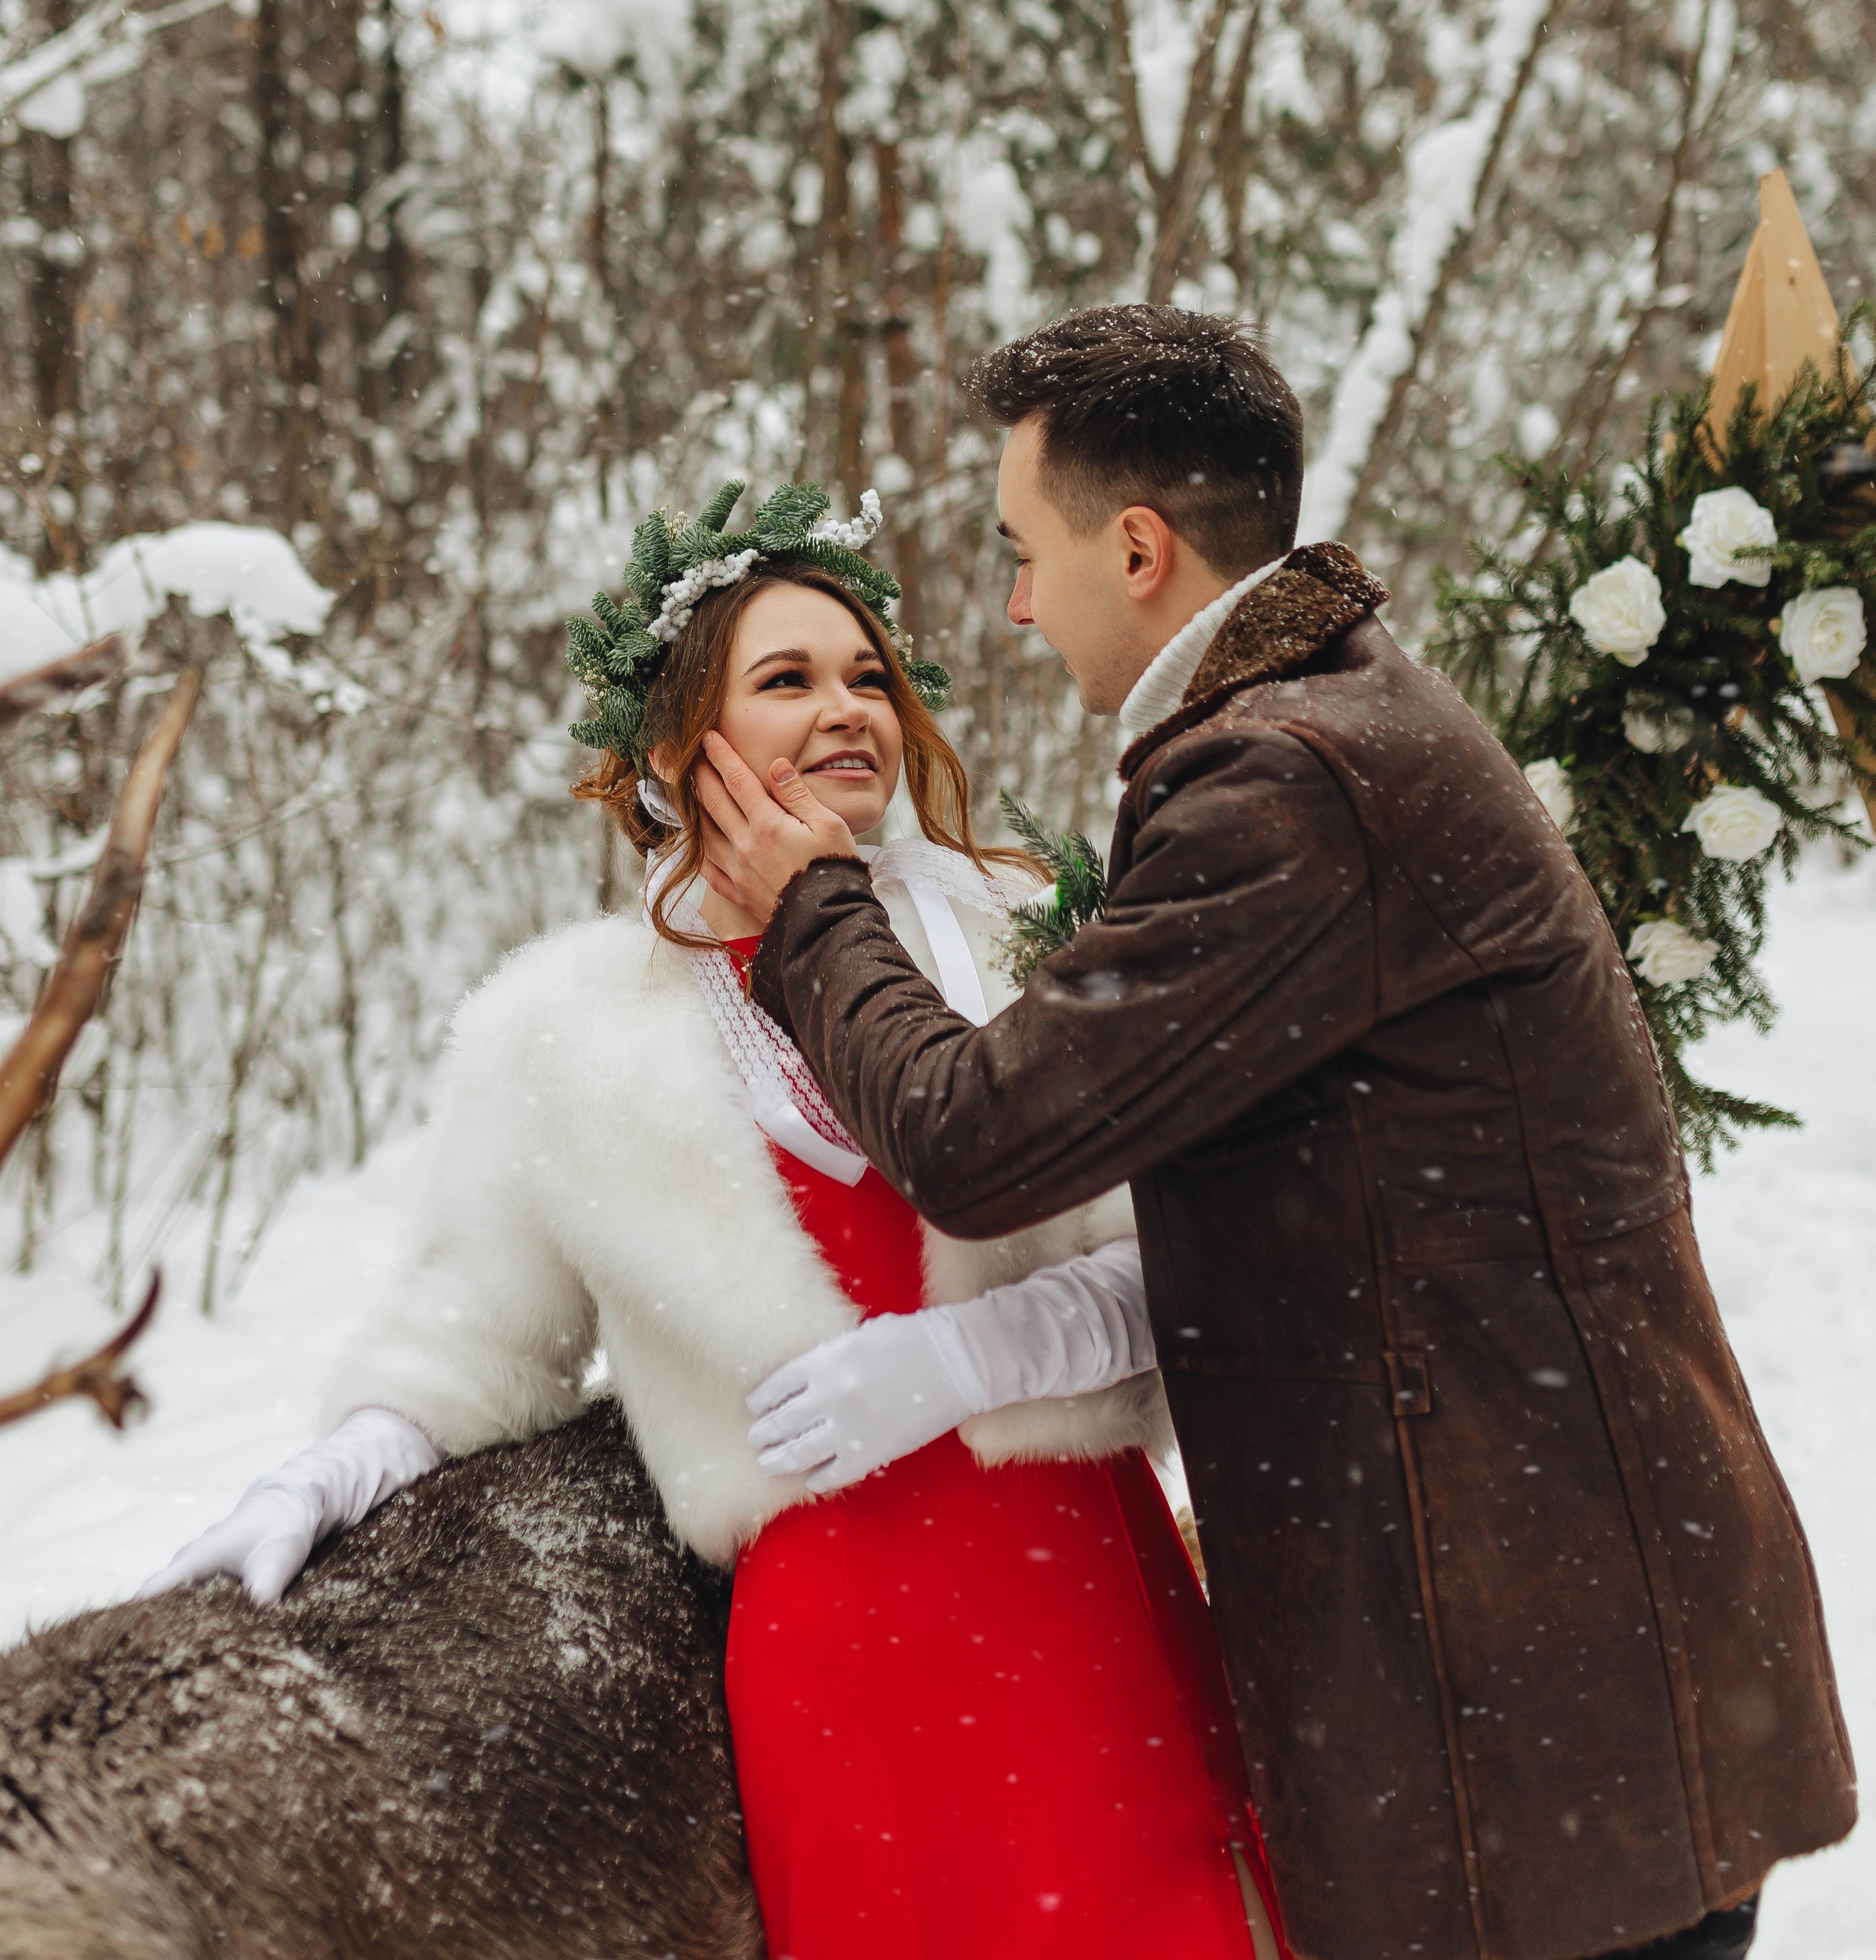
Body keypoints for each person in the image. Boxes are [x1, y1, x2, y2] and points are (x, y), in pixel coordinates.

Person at [695, 307, 1856, 1960]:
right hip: (1538, 1694)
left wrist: (812, 905)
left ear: (1141, 548)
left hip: (1534, 1726)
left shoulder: (1288, 787)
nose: (1015, 604)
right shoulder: (1322, 725)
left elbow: (973, 1137)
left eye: (1025, 551)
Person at [141, 478, 1287, 1960]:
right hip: (837, 1668)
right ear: (684, 747)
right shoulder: (564, 1038)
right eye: (788, 680)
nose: (847, 709)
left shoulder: (1024, 933)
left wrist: (968, 1360)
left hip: (1087, 1606)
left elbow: (1189, 1270)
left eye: (868, 675)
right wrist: (330, 1470)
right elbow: (474, 1345)